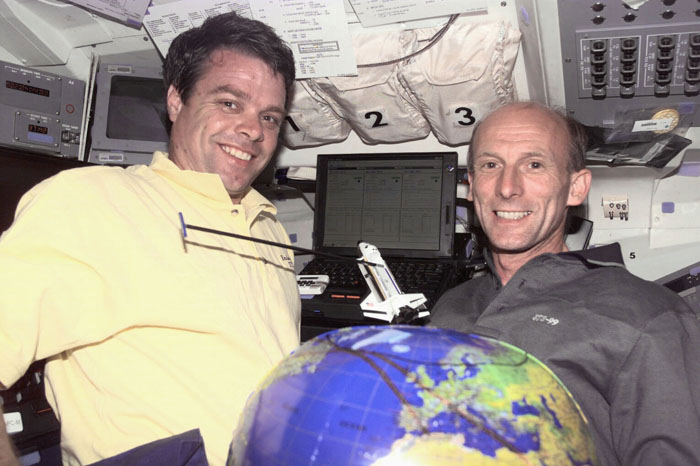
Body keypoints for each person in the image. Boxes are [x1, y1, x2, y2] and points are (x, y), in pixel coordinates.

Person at [0, 12, 299, 466]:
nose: (254, 130)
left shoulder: (269, 227)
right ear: (177, 102)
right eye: (230, 103)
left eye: (270, 117)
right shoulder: (92, 200)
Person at [429, 101, 700, 466]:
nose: (507, 188)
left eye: (534, 165)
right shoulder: (452, 302)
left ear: (576, 188)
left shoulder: (648, 318)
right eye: (491, 165)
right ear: (473, 187)